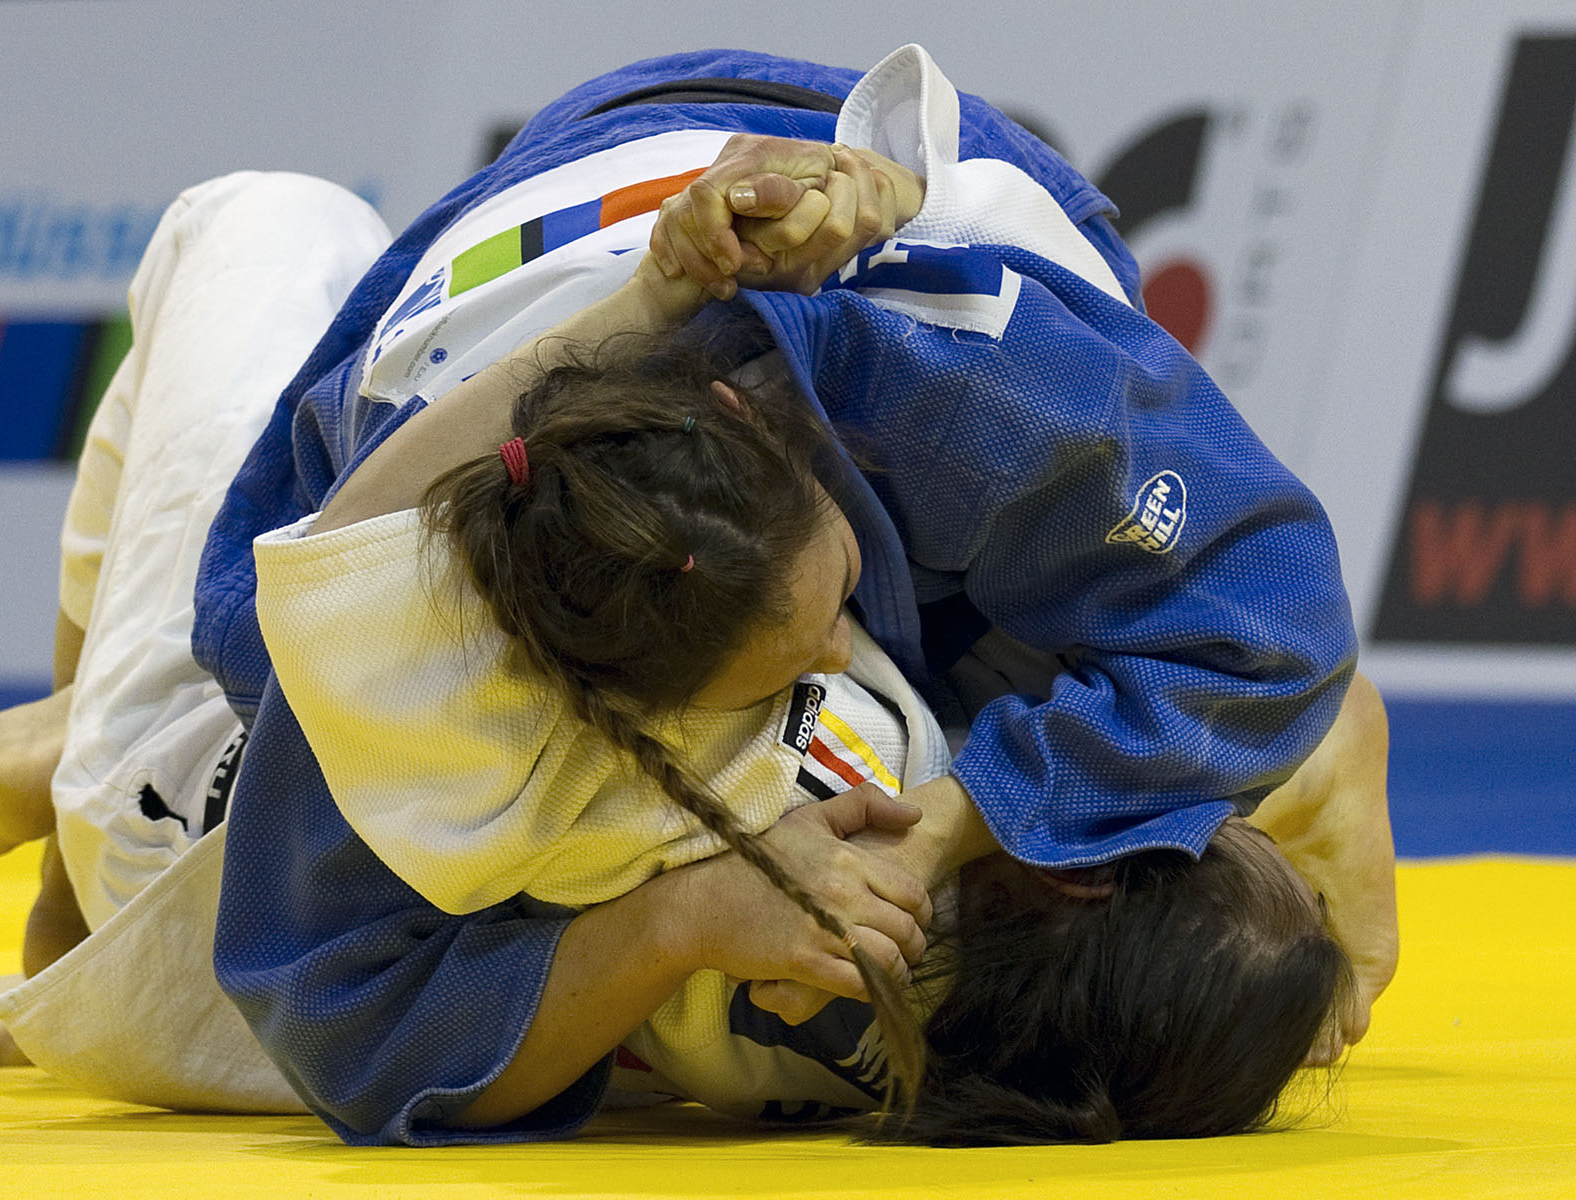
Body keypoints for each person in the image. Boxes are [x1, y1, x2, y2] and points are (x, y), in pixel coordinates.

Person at [0, 169, 1348, 1144]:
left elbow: (354, 1017)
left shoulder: (474, 679)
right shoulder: (906, 974)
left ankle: (62, 774)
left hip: (191, 832)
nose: (842, 631)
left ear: (1078, 876)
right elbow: (1244, 663)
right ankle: (56, 760)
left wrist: (652, 297)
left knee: (263, 219)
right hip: (338, 847)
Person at [187, 44, 1391, 1144]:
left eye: (832, 603)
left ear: (760, 426)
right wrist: (676, 921)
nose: (827, 652)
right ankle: (1239, 735)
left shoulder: (935, 384)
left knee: (1206, 647)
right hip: (586, 205)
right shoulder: (408, 655)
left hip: (808, 294)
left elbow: (1277, 616)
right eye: (798, 654)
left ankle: (1227, 732)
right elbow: (333, 1011)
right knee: (235, 647)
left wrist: (954, 818)